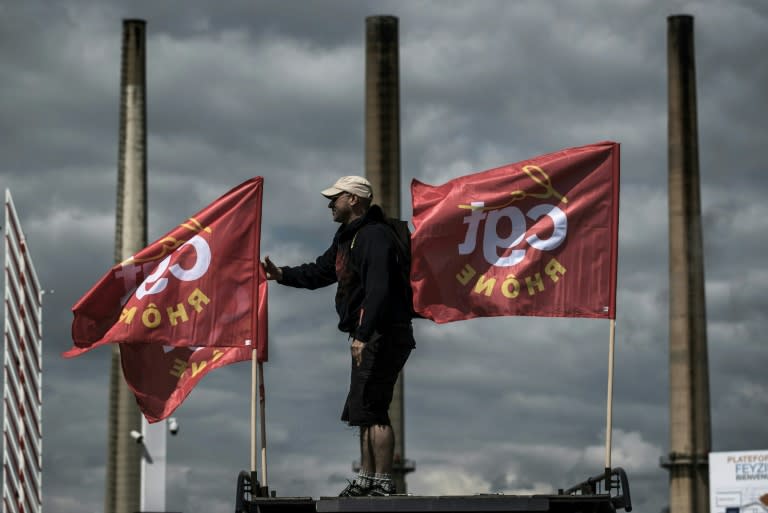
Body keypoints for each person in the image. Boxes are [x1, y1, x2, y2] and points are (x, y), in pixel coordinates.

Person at [262, 175, 415, 497]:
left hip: (381, 333)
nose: (330, 204)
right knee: (363, 409)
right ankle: (367, 481)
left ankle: (382, 483)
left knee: (374, 407)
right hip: (368, 334)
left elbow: (379, 289)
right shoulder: (347, 237)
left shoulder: (374, 236)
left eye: (336, 197)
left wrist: (363, 334)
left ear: (354, 200)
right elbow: (321, 271)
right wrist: (282, 275)